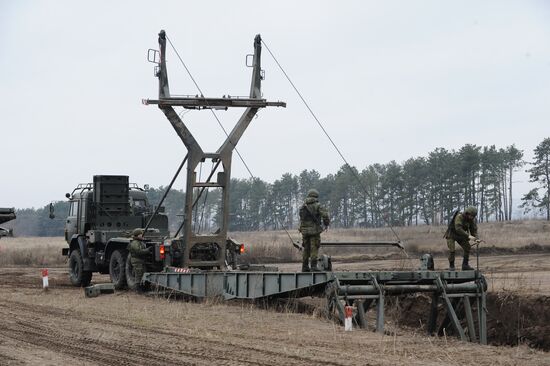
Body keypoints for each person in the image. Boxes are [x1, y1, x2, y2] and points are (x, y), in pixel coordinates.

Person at [298, 189, 330, 272]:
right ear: (316, 196)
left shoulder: (303, 206)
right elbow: (325, 215)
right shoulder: (317, 205)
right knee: (314, 248)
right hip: (314, 231)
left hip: (304, 231)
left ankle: (304, 267)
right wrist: (326, 224)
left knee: (306, 248)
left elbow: (302, 218)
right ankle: (313, 266)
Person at [444, 206, 479, 271]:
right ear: (467, 213)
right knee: (452, 250)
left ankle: (465, 265)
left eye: (473, 216)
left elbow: (473, 230)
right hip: (451, 235)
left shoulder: (471, 220)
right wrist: (468, 236)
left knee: (467, 247)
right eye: (471, 215)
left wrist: (476, 238)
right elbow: (458, 229)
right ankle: (451, 266)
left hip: (461, 236)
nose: (472, 217)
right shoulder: (459, 217)